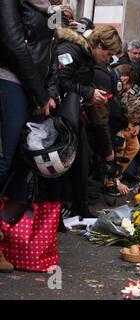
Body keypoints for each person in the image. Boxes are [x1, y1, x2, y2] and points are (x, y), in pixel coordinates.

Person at [0, 0, 65, 273]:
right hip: (9, 80)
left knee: (19, 165)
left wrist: (47, 93)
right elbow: (15, 44)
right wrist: (40, 93)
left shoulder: (51, 9)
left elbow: (51, 54)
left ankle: (5, 240)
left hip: (32, 90)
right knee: (3, 161)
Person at [48, 25, 121, 218]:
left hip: (73, 114)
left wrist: (90, 96)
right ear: (97, 44)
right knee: (65, 165)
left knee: (81, 162)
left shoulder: (86, 56)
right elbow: (59, 79)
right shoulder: (72, 50)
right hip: (60, 117)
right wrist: (88, 92)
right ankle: (61, 211)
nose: (108, 58)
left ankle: (79, 208)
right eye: (107, 53)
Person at [104, 94, 140, 196]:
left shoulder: (126, 114)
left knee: (134, 145)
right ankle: (111, 181)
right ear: (134, 111)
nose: (138, 121)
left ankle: (116, 176)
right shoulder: (117, 113)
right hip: (107, 131)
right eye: (138, 117)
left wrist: (136, 126)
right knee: (120, 142)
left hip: (120, 125)